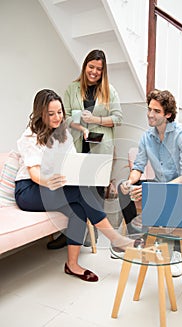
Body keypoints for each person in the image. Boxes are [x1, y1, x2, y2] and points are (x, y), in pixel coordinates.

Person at [14, 89, 139, 282]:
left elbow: (72, 163)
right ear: (41, 114)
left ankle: (72, 265)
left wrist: (87, 172)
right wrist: (50, 182)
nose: (57, 118)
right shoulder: (29, 137)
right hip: (29, 189)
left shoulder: (63, 134)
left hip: (52, 186)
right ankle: (116, 239)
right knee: (80, 193)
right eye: (51, 114)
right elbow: (34, 173)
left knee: (78, 206)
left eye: (60, 112)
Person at [48, 49, 123, 249]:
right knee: (73, 189)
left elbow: (118, 118)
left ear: (103, 71)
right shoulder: (72, 89)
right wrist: (81, 126)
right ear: (85, 66)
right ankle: (71, 232)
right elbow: (63, 116)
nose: (94, 72)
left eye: (99, 69)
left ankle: (93, 236)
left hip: (100, 148)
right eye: (91, 67)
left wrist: (96, 120)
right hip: (77, 145)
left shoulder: (109, 90)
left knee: (96, 192)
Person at [118, 89, 182, 277]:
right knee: (122, 188)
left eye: (156, 111)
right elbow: (138, 167)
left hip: (180, 187)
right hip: (160, 183)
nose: (150, 114)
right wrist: (130, 182)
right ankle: (139, 240)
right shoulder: (147, 137)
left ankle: (175, 251)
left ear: (168, 114)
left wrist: (155, 190)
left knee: (170, 194)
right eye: (149, 109)